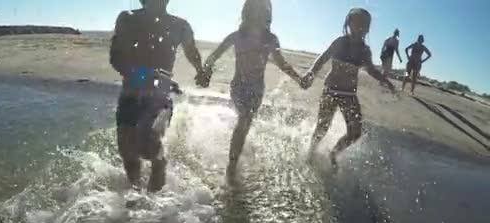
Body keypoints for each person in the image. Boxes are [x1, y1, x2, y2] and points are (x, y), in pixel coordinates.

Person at [199, 0, 303, 183]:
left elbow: (282, 63)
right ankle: (231, 166)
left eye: (263, 11)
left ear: (267, 15)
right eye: (255, 10)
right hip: (238, 85)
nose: (259, 14)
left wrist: (299, 79)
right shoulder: (237, 36)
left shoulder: (270, 39)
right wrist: (206, 70)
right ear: (247, 12)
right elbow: (214, 55)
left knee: (245, 122)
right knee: (244, 118)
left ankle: (236, 154)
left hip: (257, 89)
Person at [109, 0, 206, 192]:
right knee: (127, 151)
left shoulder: (180, 25)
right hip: (131, 93)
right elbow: (116, 58)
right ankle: (135, 194)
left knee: (151, 148)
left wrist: (201, 71)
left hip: (160, 97)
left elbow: (192, 51)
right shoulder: (128, 18)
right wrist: (146, 75)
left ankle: (156, 200)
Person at [302, 8, 395, 171]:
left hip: (349, 94)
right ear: (348, 23)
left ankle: (334, 153)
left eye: (365, 24)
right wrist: (311, 73)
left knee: (355, 132)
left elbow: (371, 70)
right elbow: (323, 58)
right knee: (322, 127)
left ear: (368, 28)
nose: (361, 26)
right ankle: (310, 154)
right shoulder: (340, 42)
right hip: (330, 90)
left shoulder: (365, 50)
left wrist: (386, 81)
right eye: (357, 22)